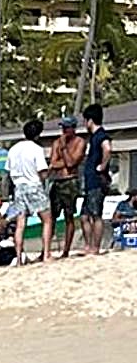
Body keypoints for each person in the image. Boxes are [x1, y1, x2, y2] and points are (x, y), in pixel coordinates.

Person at [5, 118, 54, 265]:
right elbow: (42, 172)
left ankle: (19, 258)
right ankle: (46, 254)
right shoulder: (36, 149)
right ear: (38, 134)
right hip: (33, 186)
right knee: (47, 220)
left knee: (20, 225)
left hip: (18, 187)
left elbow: (8, 170)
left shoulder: (13, 149)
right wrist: (51, 169)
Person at [47, 116, 86, 258]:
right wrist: (63, 160)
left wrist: (63, 149)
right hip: (57, 181)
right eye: (62, 127)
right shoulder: (56, 142)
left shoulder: (79, 142)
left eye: (67, 127)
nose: (64, 130)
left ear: (73, 128)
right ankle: (47, 250)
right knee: (51, 217)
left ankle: (66, 250)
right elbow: (53, 163)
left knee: (69, 216)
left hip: (70, 181)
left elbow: (72, 163)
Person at [82, 103, 113, 255]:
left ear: (90, 120)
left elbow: (107, 148)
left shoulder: (101, 134)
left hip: (97, 181)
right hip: (89, 181)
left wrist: (102, 165)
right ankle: (88, 246)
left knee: (96, 215)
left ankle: (96, 248)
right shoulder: (93, 137)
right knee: (84, 216)